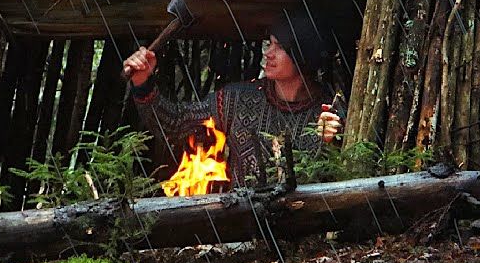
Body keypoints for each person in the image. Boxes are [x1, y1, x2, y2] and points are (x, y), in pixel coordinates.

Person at [123, 12, 344, 188]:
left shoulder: (329, 111)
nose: (268, 53)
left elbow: (341, 178)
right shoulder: (237, 99)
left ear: (302, 55)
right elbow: (175, 124)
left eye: (280, 47)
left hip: (308, 232)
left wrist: (332, 143)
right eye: (270, 43)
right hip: (244, 231)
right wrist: (142, 82)